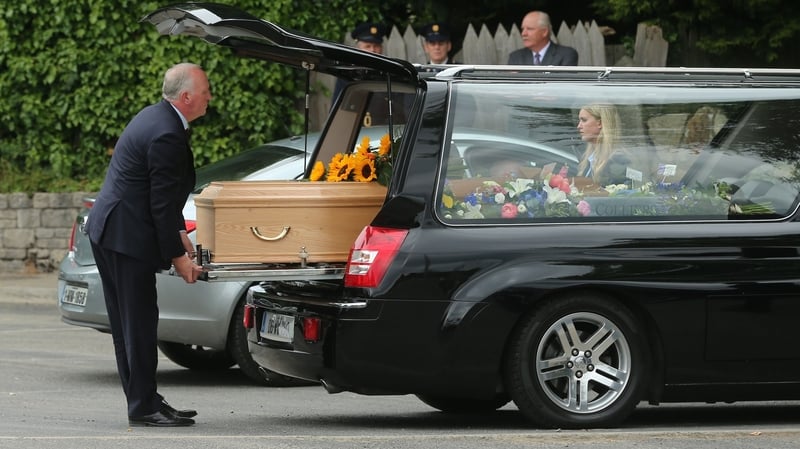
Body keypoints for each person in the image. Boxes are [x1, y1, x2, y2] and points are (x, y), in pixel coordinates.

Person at [86, 62, 209, 427]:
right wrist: (179, 258)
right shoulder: (167, 133)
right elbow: (158, 203)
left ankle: (145, 400)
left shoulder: (158, 117)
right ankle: (143, 406)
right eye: (205, 91)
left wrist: (180, 234)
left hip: (115, 230)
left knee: (131, 323)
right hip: (125, 236)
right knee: (138, 323)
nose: (209, 97)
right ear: (186, 97)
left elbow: (161, 195)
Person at [575, 103, 630, 186]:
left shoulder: (617, 161)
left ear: (600, 123)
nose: (579, 126)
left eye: (584, 120)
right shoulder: (590, 157)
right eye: (580, 121)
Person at [332, 22, 387, 102]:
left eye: (376, 46)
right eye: (367, 46)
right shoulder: (348, 74)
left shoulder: (388, 73)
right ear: (359, 49)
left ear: (381, 48)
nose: (373, 50)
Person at [507, 11, 578, 66]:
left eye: (530, 29)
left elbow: (561, 83)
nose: (523, 34)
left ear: (544, 32)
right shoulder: (516, 57)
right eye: (522, 29)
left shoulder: (566, 55)